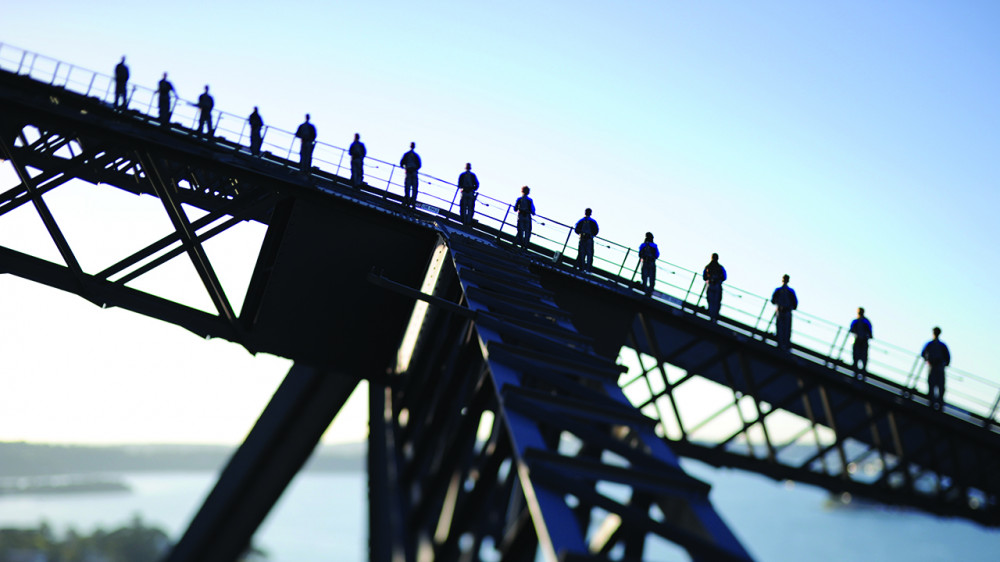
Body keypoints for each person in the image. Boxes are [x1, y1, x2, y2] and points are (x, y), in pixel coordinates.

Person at [921, 326, 951, 410]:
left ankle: (938, 403)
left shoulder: (940, 345)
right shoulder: (932, 344)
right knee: (933, 385)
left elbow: (948, 358)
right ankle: (933, 402)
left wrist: (942, 363)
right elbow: (923, 354)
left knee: (939, 386)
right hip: (934, 367)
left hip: (938, 367)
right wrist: (929, 360)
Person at [771, 274, 798, 351]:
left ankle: (782, 344)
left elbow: (773, 301)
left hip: (783, 311)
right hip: (784, 312)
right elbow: (795, 305)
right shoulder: (788, 291)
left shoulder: (780, 290)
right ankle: (783, 344)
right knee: (784, 329)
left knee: (782, 328)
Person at [849, 307, 873, 377]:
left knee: (861, 355)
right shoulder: (863, 321)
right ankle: (858, 369)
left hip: (861, 341)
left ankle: (861, 370)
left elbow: (851, 330)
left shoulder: (859, 321)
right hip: (859, 340)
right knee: (858, 355)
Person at [702, 253, 727, 320]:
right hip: (717, 285)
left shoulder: (707, 267)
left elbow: (704, 277)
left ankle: (711, 315)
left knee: (710, 301)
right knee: (716, 301)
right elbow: (724, 277)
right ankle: (714, 316)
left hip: (710, 285)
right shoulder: (720, 267)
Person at [574, 208, 599, 272]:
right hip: (589, 239)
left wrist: (581, 233)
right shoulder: (593, 221)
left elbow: (576, 230)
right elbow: (596, 231)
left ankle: (581, 268)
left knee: (582, 254)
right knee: (589, 254)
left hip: (582, 238)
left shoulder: (581, 221)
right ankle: (588, 269)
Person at [399, 142, 421, 206]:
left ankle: (408, 201)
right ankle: (412, 202)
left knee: (408, 188)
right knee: (414, 188)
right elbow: (419, 165)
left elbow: (401, 163)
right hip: (413, 172)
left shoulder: (407, 154)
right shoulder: (415, 155)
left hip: (409, 172)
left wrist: (406, 168)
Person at [513, 186, 535, 250]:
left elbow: (515, 208)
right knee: (527, 232)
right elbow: (533, 211)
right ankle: (525, 246)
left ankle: (518, 243)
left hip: (521, 216)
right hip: (527, 217)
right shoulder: (530, 200)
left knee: (520, 230)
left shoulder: (519, 199)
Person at [638, 232, 659, 296]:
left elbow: (640, 254)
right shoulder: (654, 246)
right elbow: (657, 255)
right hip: (652, 263)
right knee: (652, 277)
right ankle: (650, 291)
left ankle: (645, 289)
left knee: (644, 276)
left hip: (645, 262)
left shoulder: (643, 245)